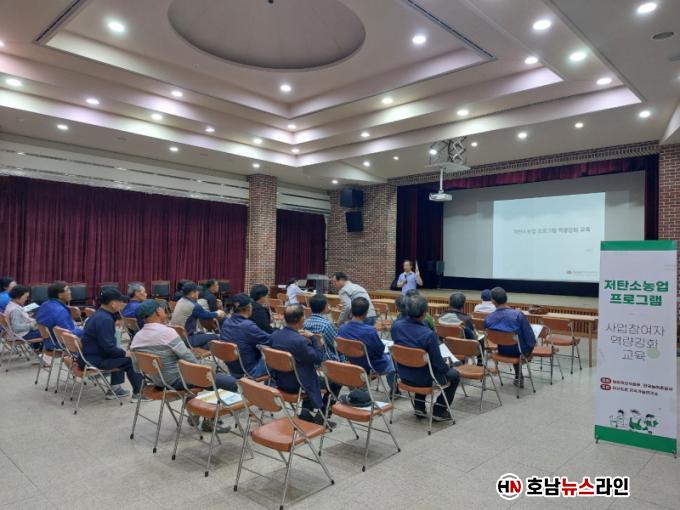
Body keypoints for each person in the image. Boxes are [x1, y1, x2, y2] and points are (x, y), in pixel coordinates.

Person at [131, 300, 236, 433]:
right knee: (228, 382)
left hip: (157, 381)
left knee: (196, 375)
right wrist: (205, 372)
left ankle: (195, 411)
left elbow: (136, 368)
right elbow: (188, 358)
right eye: (162, 309)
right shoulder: (166, 332)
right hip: (176, 381)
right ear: (158, 312)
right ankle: (209, 420)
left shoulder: (137, 337)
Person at [391, 293, 459, 421]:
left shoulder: (396, 326)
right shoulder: (428, 334)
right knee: (454, 375)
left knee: (420, 364)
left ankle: (419, 406)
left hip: (403, 375)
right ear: (424, 313)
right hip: (424, 379)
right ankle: (439, 411)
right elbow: (438, 364)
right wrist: (448, 366)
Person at [270, 305, 340, 425]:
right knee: (336, 381)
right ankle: (322, 417)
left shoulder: (275, 335)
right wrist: (313, 338)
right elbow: (319, 359)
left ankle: (306, 413)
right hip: (298, 384)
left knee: (307, 370)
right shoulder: (299, 341)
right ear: (301, 319)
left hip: (279, 380)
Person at [80, 288, 144, 400]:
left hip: (88, 356)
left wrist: (121, 352)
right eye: (121, 302)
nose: (123, 304)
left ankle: (115, 389)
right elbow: (109, 348)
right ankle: (140, 393)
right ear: (113, 304)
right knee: (132, 360)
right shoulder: (105, 319)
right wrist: (125, 353)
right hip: (95, 359)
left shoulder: (98, 315)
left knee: (119, 352)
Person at [337, 297, 396, 393]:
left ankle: (361, 386)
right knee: (392, 358)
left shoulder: (342, 328)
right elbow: (380, 350)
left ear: (351, 310)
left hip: (352, 362)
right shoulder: (370, 330)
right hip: (371, 365)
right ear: (366, 313)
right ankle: (394, 390)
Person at [484, 287, 536, 387]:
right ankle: (518, 376)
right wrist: (530, 348)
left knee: (513, 341)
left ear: (493, 301)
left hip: (502, 350)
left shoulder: (489, 318)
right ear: (506, 298)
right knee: (521, 340)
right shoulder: (518, 315)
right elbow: (530, 337)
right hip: (520, 352)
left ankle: (518, 376)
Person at [219, 293, 270, 378]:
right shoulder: (248, 326)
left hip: (233, 369)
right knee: (280, 357)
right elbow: (271, 340)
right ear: (249, 308)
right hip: (250, 370)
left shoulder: (226, 322)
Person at [170, 283, 225, 349]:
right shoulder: (194, 306)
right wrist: (218, 313)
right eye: (197, 291)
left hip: (176, 337)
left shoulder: (180, 300)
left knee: (206, 341)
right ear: (192, 294)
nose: (198, 293)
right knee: (217, 337)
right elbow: (206, 315)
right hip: (187, 339)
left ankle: (202, 350)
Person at [36, 281, 83, 350]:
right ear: (60, 295)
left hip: (48, 342)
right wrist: (83, 330)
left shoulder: (44, 305)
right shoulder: (60, 311)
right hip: (60, 344)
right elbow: (68, 334)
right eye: (67, 290)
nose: (70, 292)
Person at [303, 293, 341, 361]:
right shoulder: (326, 325)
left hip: (311, 356)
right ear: (325, 306)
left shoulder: (305, 322)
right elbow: (337, 345)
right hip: (326, 358)